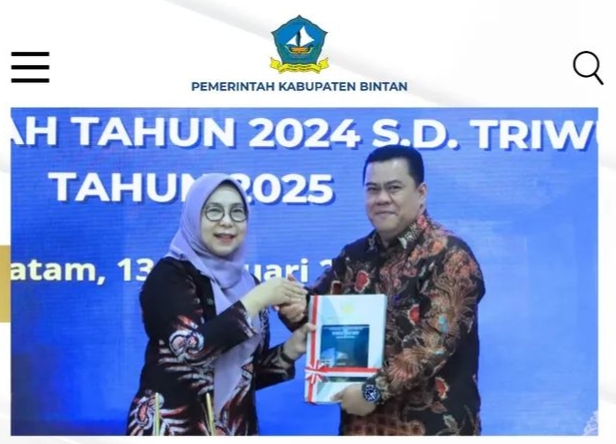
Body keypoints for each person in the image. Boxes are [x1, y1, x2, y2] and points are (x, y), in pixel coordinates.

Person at [279, 145, 486, 436]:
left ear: (421, 193)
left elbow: (434, 343)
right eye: (372, 189)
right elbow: (320, 317)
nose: (382, 198)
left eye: (394, 188)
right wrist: (295, 306)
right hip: (361, 429)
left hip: (433, 429)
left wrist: (371, 392)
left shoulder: (450, 256)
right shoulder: (354, 257)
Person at [126, 173, 313, 436]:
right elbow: (191, 352)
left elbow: (244, 376)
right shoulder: (169, 275)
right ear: (194, 217)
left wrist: (291, 349)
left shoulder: (249, 284)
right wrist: (257, 299)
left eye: (237, 212)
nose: (227, 221)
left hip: (233, 429)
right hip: (173, 429)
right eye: (214, 211)